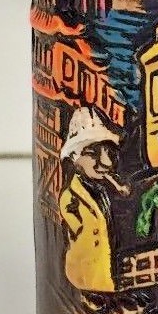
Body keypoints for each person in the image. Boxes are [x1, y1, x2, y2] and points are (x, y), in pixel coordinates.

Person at [58, 107, 129, 294]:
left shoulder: (104, 189)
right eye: (93, 152)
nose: (105, 162)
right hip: (84, 275)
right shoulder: (71, 196)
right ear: (75, 157)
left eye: (108, 152)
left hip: (104, 275)